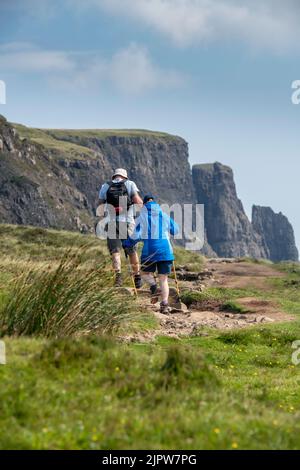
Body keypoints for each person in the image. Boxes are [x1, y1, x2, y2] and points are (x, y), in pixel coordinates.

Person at [123, 194, 179, 314]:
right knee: (163, 279)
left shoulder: (142, 217)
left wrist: (127, 244)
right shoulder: (163, 215)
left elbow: (136, 236)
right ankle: (164, 305)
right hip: (165, 251)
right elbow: (176, 230)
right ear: (155, 203)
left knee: (143, 273)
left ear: (144, 204)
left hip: (149, 251)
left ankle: (153, 286)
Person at [98, 168, 143, 287]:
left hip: (112, 223)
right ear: (125, 177)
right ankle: (137, 278)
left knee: (115, 252)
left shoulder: (105, 186)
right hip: (128, 222)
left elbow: (100, 207)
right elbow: (138, 203)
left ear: (114, 176)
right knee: (132, 251)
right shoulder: (129, 184)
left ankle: (118, 278)